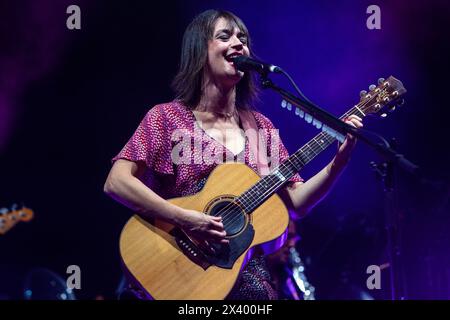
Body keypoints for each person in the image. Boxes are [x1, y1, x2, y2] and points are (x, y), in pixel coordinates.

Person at [104, 9, 363, 300]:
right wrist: (187, 218)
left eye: (243, 38)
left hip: (248, 278)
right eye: (225, 36)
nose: (239, 44)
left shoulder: (261, 127)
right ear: (200, 51)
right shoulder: (166, 118)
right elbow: (117, 182)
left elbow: (296, 204)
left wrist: (338, 163)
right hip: (182, 266)